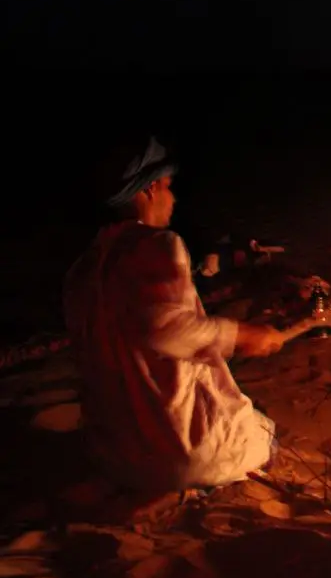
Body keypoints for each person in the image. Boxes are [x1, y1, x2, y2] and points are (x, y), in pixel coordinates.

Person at [64, 136, 284, 493]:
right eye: (168, 187)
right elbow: (166, 330)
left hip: (112, 457)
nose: (174, 198)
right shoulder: (157, 245)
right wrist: (243, 334)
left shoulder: (81, 270)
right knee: (266, 433)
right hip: (177, 456)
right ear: (150, 189)